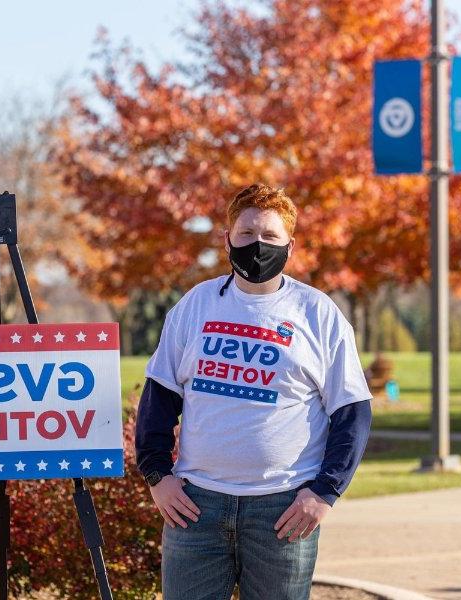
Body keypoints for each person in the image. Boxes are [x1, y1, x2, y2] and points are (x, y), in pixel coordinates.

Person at [135, 183, 373, 600]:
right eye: (246, 234)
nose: (256, 245)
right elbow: (158, 398)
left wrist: (324, 493)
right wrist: (158, 476)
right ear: (228, 238)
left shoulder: (318, 314)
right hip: (196, 507)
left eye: (269, 236)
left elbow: (352, 414)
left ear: (290, 245)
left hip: (283, 511)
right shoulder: (195, 305)